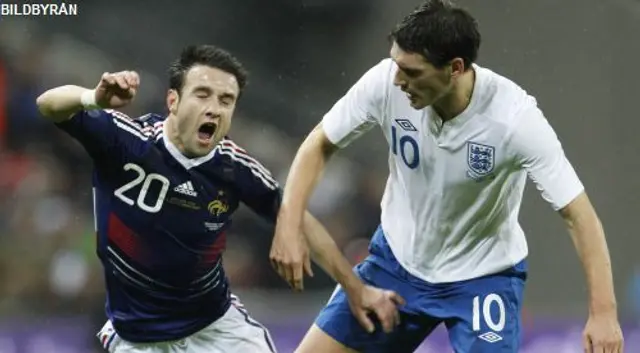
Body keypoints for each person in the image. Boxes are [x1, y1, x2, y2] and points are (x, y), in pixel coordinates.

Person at [269, 1, 624, 352]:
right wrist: (288, 222)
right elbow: (319, 144)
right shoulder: (384, 83)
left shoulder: (514, 120)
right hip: (396, 265)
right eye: (396, 65)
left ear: (455, 68)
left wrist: (604, 313)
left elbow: (578, 215)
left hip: (482, 278)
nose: (398, 80)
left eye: (412, 72)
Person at [35, 44, 403, 353]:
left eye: (226, 100)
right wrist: (93, 98)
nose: (215, 107)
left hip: (216, 330)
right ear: (173, 100)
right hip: (137, 339)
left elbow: (296, 216)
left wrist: (355, 289)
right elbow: (48, 104)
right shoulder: (126, 140)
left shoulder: (234, 168)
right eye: (203, 94)